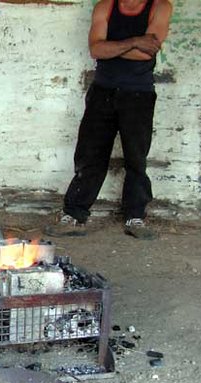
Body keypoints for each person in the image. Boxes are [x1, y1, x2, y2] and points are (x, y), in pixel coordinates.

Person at [45, 0, 173, 240]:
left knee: (136, 158)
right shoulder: (105, 6)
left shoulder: (160, 6)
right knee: (90, 155)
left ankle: (135, 217)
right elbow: (96, 50)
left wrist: (113, 47)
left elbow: (148, 52)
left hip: (139, 94)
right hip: (102, 91)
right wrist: (135, 41)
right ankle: (74, 215)